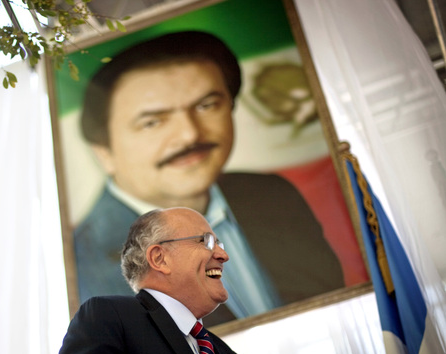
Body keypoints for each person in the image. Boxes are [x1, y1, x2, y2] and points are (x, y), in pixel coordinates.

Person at [74, 30, 344, 324]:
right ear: (104, 152)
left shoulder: (272, 194)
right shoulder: (77, 265)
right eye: (152, 122)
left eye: (206, 106)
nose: (190, 133)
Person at [51, 207, 265, 354]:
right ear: (159, 258)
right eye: (207, 241)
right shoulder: (108, 319)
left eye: (219, 244)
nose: (223, 255)